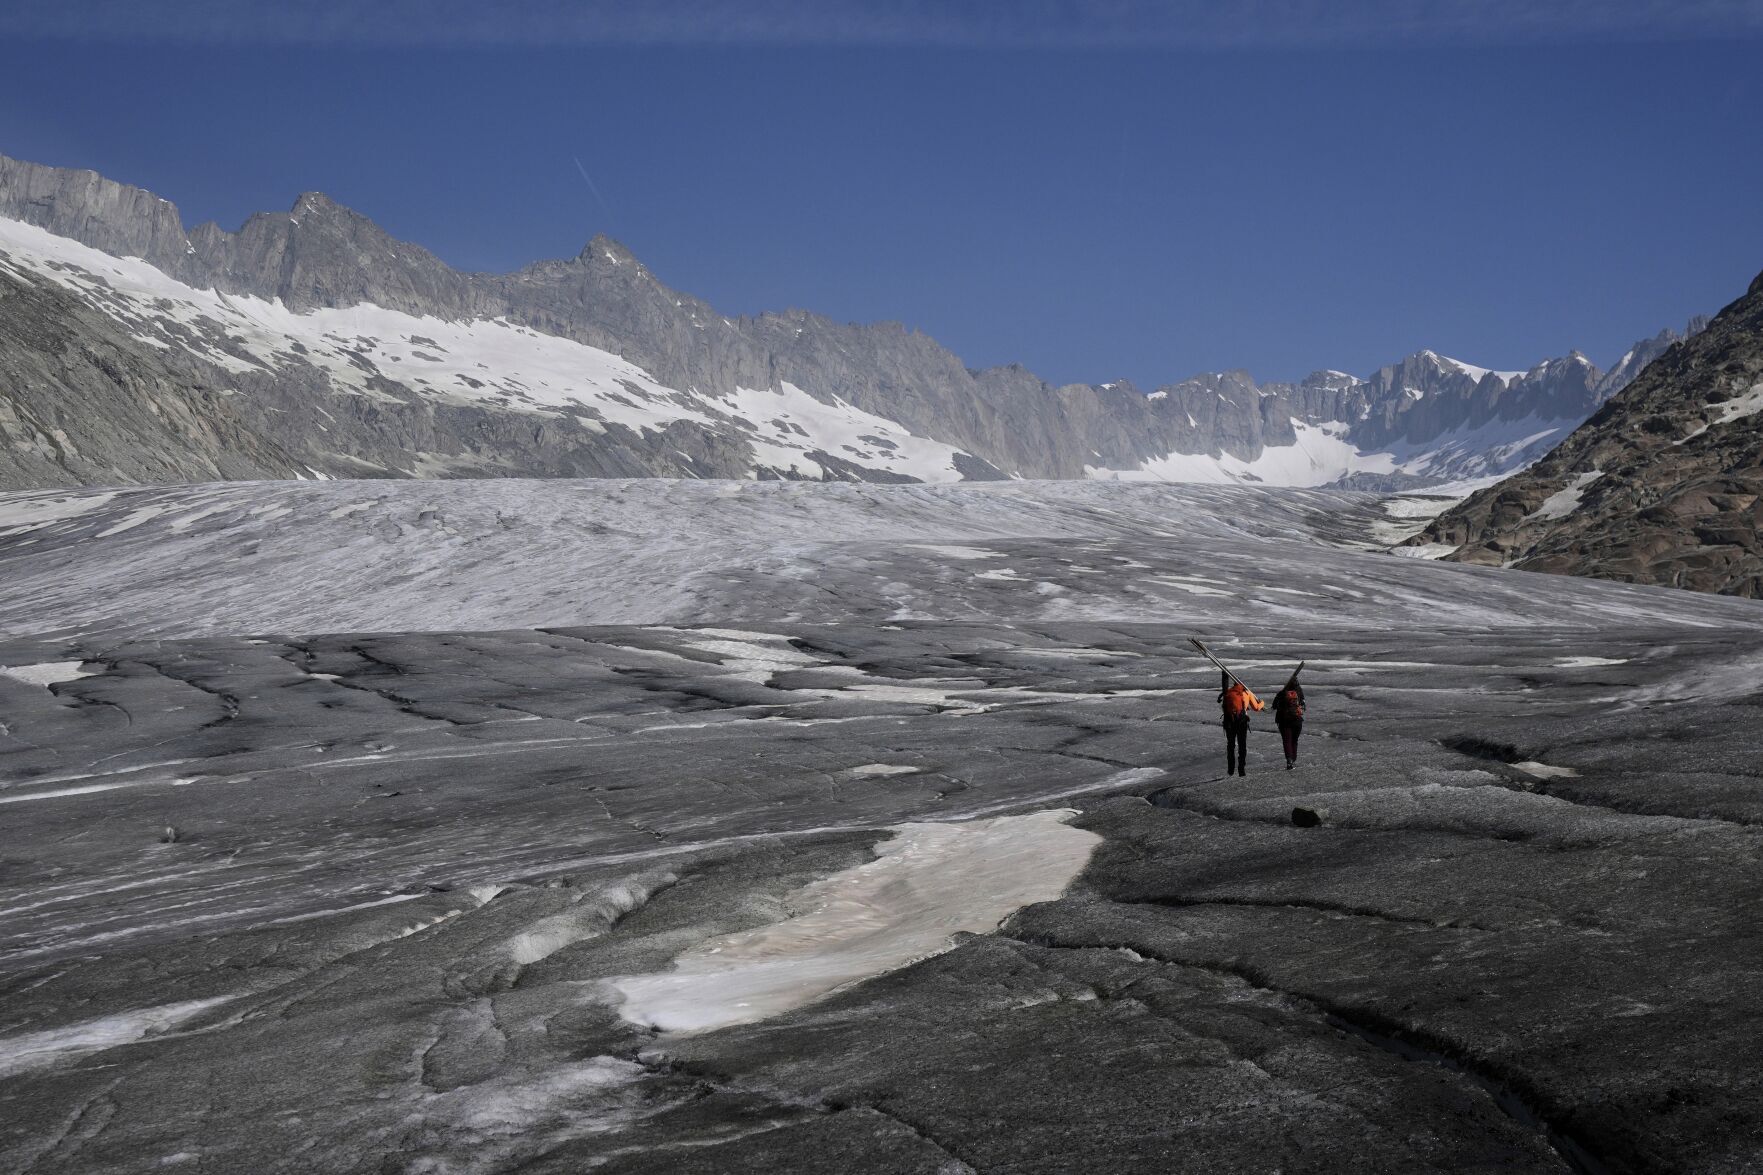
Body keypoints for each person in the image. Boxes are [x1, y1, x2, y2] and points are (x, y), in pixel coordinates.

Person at [1218, 671, 1264, 777]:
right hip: (1242, 722)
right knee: (1242, 746)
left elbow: (1223, 707)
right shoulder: (1247, 693)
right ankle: (1241, 769)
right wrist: (1262, 703)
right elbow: (1256, 708)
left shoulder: (1228, 692)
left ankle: (1230, 769)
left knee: (1230, 745)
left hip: (1229, 722)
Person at [1272, 672, 1305, 770]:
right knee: (1294, 741)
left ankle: (1289, 761)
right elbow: (1303, 705)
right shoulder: (1299, 692)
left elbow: (1274, 706)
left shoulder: (1281, 693)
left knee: (1287, 741)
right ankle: (1293, 760)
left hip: (1284, 721)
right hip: (1297, 721)